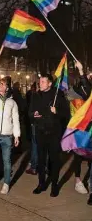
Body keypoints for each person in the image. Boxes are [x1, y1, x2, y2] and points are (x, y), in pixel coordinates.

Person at [29, 73, 69, 197]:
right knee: (41, 160)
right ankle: (41, 184)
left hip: (54, 133)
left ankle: (54, 186)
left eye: (43, 82)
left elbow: (66, 114)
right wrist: (33, 115)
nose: (40, 84)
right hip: (40, 132)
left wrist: (57, 111)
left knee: (54, 160)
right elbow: (30, 112)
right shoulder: (36, 95)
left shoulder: (58, 95)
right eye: (40, 81)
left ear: (50, 83)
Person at [71, 61, 91, 195]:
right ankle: (78, 181)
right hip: (81, 127)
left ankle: (89, 183)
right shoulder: (78, 91)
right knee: (78, 154)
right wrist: (82, 71)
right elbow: (88, 90)